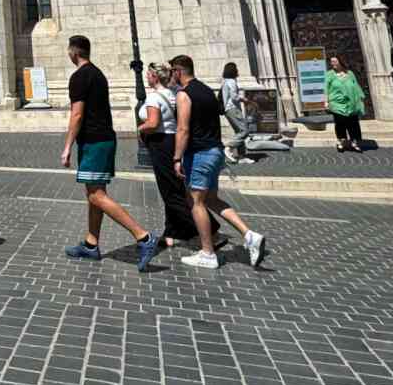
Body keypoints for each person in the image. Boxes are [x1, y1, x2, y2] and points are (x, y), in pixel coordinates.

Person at [60, 35, 160, 271]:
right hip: (104, 138)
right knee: (95, 192)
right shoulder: (97, 73)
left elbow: (77, 114)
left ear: (73, 53)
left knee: (96, 195)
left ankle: (144, 237)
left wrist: (67, 147)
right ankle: (91, 243)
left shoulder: (78, 77)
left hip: (93, 141)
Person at [171, 55, 267, 269]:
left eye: (172, 72)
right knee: (212, 200)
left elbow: (183, 129)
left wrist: (177, 157)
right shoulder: (206, 90)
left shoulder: (184, 95)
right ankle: (249, 235)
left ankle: (207, 253)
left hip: (199, 154)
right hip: (215, 151)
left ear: (178, 71)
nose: (172, 76)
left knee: (196, 202)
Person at [136, 61, 218, 252]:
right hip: (173, 141)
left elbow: (153, 122)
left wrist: (140, 128)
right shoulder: (173, 94)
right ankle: (171, 233)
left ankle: (210, 227)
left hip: (160, 143)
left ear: (155, 77)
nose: (146, 77)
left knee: (171, 193)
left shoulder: (154, 97)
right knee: (174, 189)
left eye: (148, 74)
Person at [326, 56, 366, 152]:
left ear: (340, 61)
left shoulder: (350, 73)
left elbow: (356, 85)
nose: (333, 63)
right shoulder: (330, 74)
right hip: (337, 102)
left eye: (334, 61)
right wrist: (326, 101)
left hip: (351, 102)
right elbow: (326, 88)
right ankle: (341, 141)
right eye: (331, 62)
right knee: (340, 122)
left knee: (353, 122)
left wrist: (360, 99)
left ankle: (354, 142)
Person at [220, 62, 253, 165]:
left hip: (228, 110)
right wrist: (244, 99)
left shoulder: (225, 81)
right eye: (236, 69)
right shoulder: (231, 82)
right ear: (233, 71)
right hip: (233, 109)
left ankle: (241, 156)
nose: (238, 71)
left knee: (239, 131)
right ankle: (228, 147)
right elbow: (234, 96)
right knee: (245, 131)